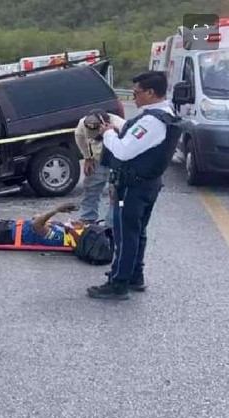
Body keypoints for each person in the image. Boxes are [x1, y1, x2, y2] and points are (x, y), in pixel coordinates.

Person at [87, 71, 181, 300]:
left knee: (124, 233)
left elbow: (123, 150)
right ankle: (135, 275)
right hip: (145, 185)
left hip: (131, 189)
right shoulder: (166, 114)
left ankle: (119, 282)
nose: (133, 97)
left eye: (137, 92)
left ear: (150, 92)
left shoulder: (151, 121)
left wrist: (109, 133)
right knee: (137, 231)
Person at [74, 110, 126, 226]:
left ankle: (112, 224)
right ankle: (87, 218)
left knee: (116, 195)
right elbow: (80, 138)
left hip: (118, 162)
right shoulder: (82, 124)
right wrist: (87, 158)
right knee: (90, 188)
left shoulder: (121, 125)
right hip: (97, 159)